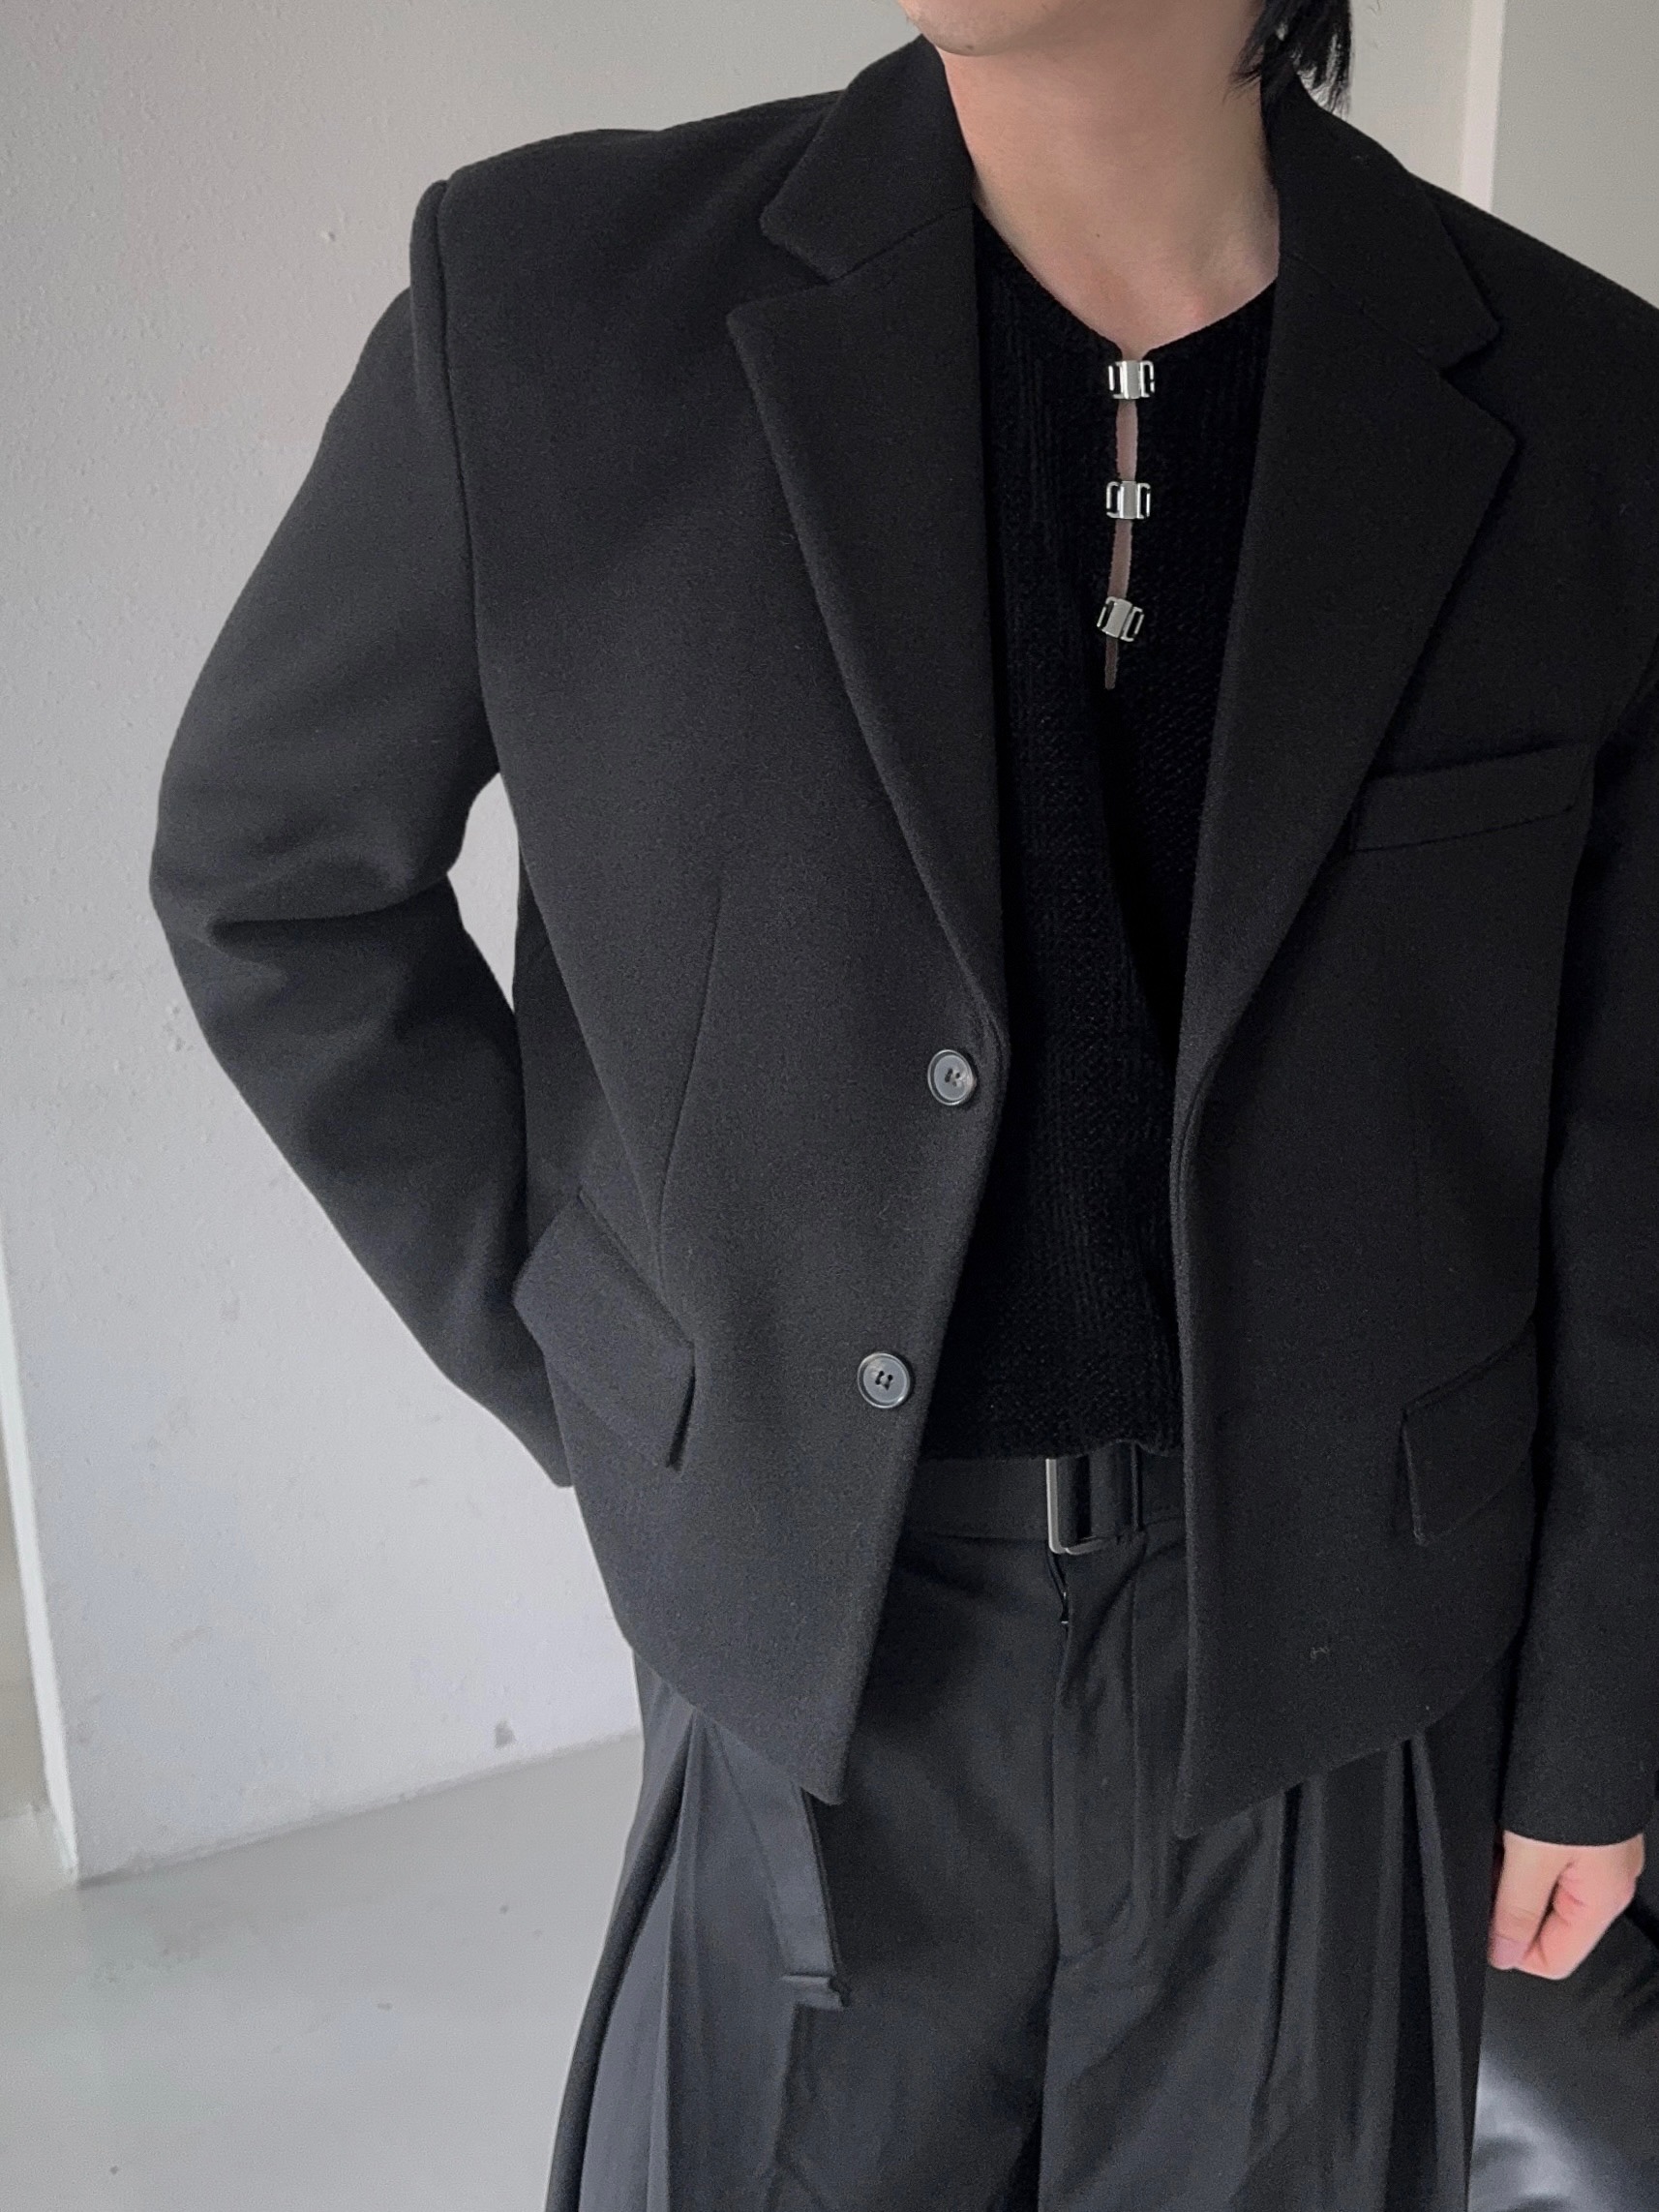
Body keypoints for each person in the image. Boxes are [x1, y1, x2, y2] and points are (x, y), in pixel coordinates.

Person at [149, 3, 1658, 2206]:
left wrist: (1597, 1717)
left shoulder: (1585, 410)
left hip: (1334, 1683)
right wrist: (622, 1370)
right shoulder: (559, 309)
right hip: (815, 1664)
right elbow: (275, 883)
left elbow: (1628, 1137)